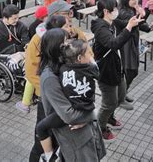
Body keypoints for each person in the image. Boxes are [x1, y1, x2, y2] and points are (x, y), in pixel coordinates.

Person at [39, 28, 106, 161]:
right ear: (55, 48)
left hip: (85, 133)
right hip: (76, 140)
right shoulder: (50, 78)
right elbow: (69, 114)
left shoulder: (68, 65)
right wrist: (92, 114)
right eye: (65, 42)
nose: (69, 44)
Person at [91, 0, 142, 140]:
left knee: (120, 95)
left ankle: (109, 117)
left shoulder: (111, 21)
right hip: (105, 70)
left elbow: (126, 23)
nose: (117, 11)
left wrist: (137, 18)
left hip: (115, 66)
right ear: (106, 11)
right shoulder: (100, 27)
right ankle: (100, 128)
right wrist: (128, 28)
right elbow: (114, 43)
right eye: (114, 8)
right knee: (109, 103)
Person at [114, 0, 152, 105]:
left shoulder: (130, 10)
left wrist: (149, 26)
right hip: (126, 44)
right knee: (131, 70)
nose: (134, 0)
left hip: (133, 42)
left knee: (131, 71)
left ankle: (123, 94)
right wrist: (144, 12)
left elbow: (140, 24)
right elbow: (134, 22)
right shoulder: (122, 12)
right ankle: (120, 96)